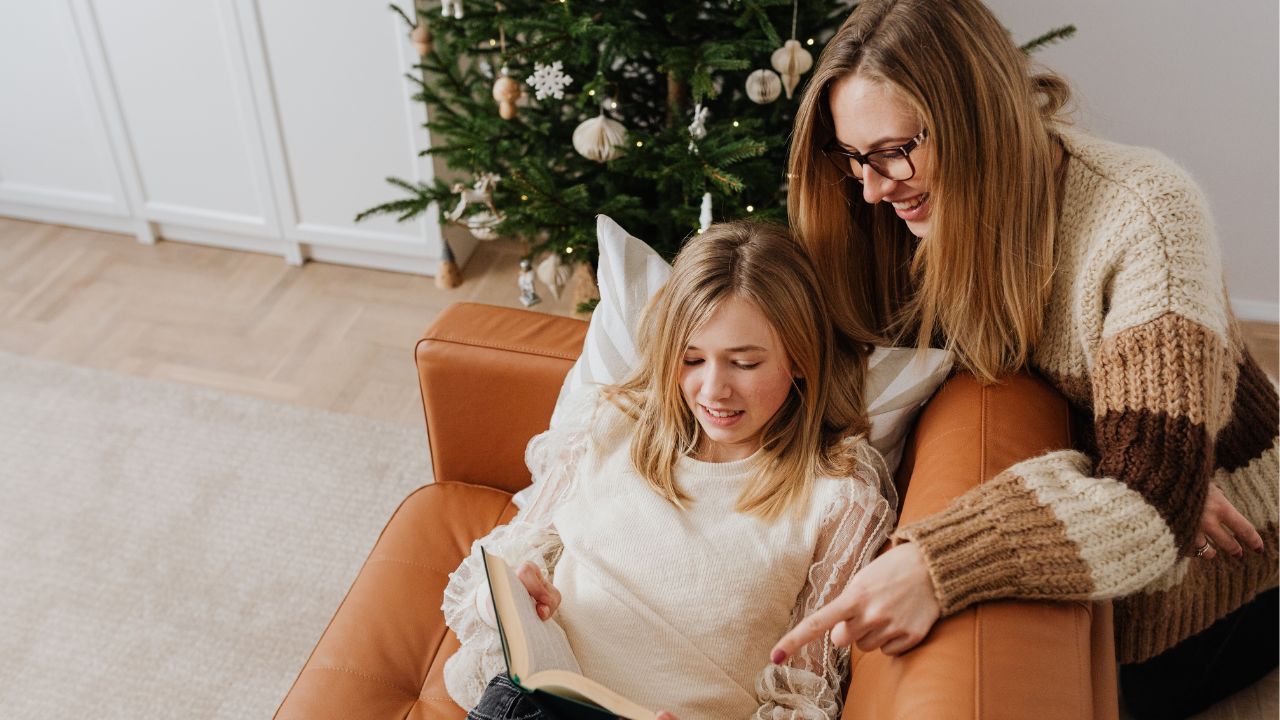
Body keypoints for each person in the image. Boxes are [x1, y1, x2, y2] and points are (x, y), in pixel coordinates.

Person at [770, 1, 1279, 717]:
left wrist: (937, 562)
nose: (874, 187)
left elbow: (1151, 502)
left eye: (892, 150)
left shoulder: (1146, 216)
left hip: (1230, 574)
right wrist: (1134, 464)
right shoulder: (909, 212)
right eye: (854, 158)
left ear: (977, 115)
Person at [441, 221, 896, 719]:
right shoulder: (611, 423)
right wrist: (507, 602)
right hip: (531, 703)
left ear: (801, 359)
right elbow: (504, 569)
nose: (712, 390)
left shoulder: (837, 495)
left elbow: (804, 694)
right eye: (692, 358)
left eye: (744, 363)